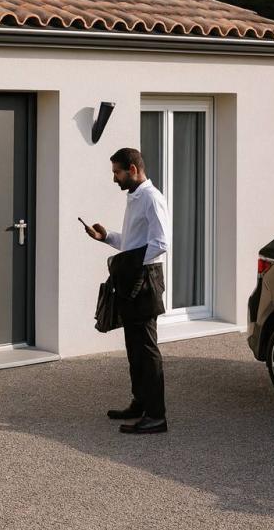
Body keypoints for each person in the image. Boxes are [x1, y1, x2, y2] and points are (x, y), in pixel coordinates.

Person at [84, 148, 171, 434]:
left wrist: (129, 264)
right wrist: (106, 236)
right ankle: (140, 403)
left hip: (145, 279)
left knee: (146, 348)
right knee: (134, 346)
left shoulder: (151, 198)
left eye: (117, 172)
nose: (114, 178)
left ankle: (156, 416)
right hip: (135, 276)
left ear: (133, 169)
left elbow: (161, 242)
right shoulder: (135, 197)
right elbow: (134, 242)